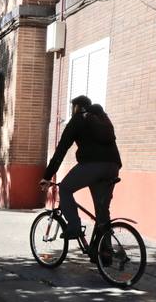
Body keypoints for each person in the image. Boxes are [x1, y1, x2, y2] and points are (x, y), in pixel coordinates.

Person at [40, 95, 121, 241]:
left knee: (64, 188)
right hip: (113, 166)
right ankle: (104, 253)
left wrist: (47, 176)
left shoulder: (78, 119)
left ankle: (74, 227)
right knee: (102, 211)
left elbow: (61, 151)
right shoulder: (102, 118)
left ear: (76, 107)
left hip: (92, 166)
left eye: (72, 108)